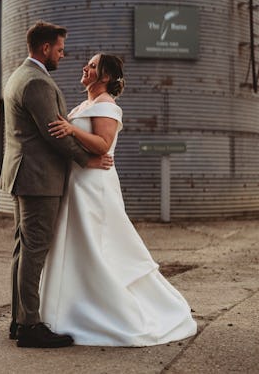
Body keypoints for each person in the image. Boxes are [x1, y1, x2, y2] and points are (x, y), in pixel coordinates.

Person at [40, 53, 197, 346]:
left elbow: (103, 145)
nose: (85, 68)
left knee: (98, 244)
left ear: (106, 77)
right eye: (87, 64)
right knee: (74, 245)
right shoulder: (84, 105)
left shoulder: (107, 106)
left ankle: (111, 308)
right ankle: (70, 308)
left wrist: (72, 129)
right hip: (76, 182)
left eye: (92, 66)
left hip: (94, 185)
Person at [0, 21, 113, 349]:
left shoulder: (17, 76)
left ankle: (19, 319)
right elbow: (55, 133)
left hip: (23, 173)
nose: (62, 56)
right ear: (45, 48)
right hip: (39, 178)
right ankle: (30, 326)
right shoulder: (36, 81)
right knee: (35, 249)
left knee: (23, 248)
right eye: (60, 49)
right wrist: (87, 160)